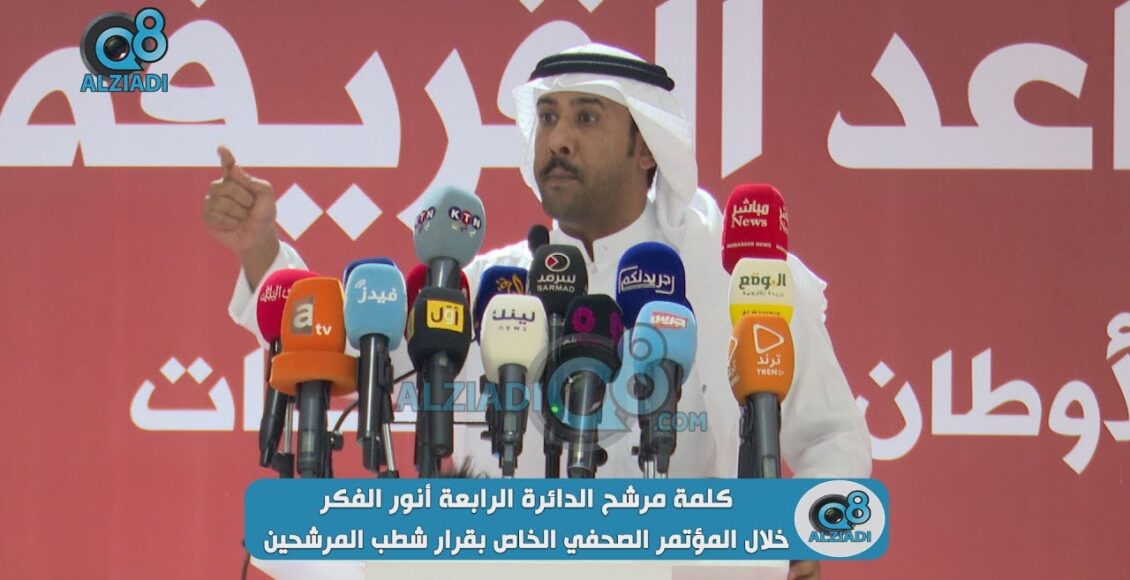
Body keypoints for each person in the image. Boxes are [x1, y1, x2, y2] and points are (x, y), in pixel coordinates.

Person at [205, 43, 870, 580]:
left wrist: (802, 538)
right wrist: (260, 248)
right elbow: (350, 356)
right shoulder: (486, 283)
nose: (559, 139)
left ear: (647, 148)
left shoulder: (738, 280)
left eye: (586, 118)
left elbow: (832, 437)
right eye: (547, 117)